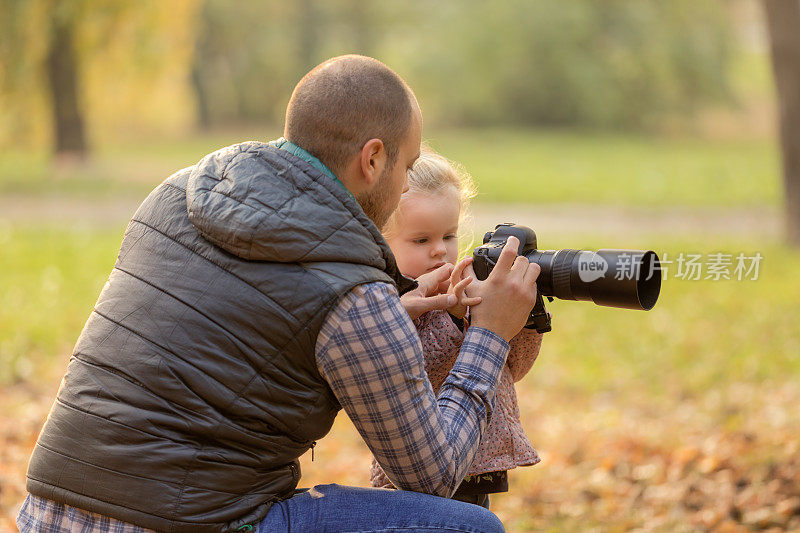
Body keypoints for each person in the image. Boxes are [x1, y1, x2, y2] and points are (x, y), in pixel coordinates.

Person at [17, 55, 540, 533]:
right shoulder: (352, 293)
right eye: (408, 165)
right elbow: (433, 474)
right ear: (373, 159)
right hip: (196, 523)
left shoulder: (176, 194)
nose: (406, 187)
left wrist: (389, 315)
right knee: (471, 530)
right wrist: (490, 334)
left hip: (50, 511)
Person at [370, 149, 544, 509]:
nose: (440, 252)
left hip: (479, 464)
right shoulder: (388, 305)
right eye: (421, 240)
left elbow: (512, 369)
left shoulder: (467, 287)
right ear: (381, 244)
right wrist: (455, 319)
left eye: (448, 236)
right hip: (415, 478)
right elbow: (420, 362)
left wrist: (524, 320)